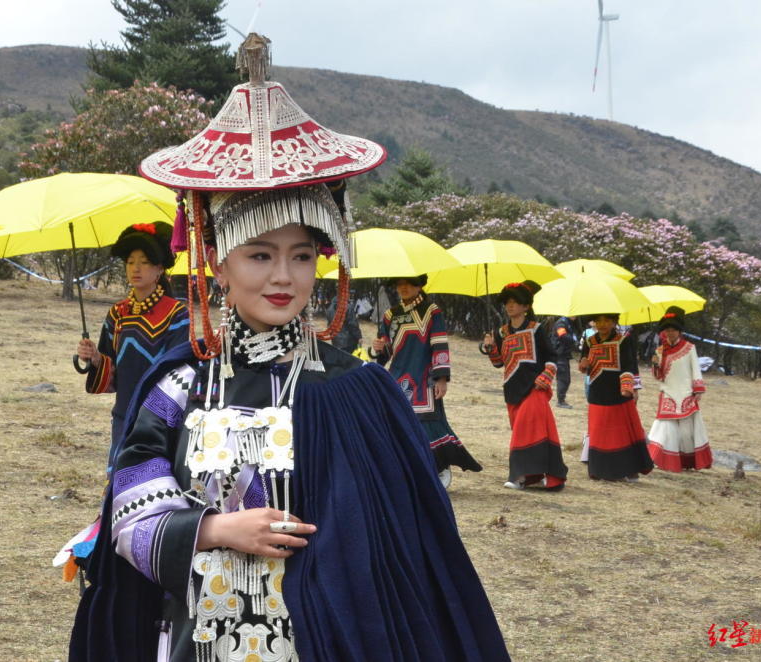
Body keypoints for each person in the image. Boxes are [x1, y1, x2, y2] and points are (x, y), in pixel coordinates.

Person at [68, 34, 510, 662]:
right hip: (193, 637)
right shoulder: (179, 385)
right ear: (218, 264)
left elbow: (398, 545)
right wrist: (216, 529)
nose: (284, 277)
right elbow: (132, 510)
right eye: (260, 255)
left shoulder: (356, 389)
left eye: (301, 256)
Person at [75, 221, 190, 464]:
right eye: (130, 262)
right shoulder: (117, 314)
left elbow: (178, 369)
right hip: (123, 413)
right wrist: (95, 358)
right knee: (119, 479)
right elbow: (111, 375)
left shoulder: (176, 314)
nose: (135, 268)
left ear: (159, 269)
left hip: (160, 416)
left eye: (144, 262)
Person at [371, 275, 482, 488]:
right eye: (400, 283)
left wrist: (441, 378)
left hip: (424, 376)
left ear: (419, 285)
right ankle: (405, 472)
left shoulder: (432, 311)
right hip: (397, 377)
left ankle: (439, 466)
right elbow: (385, 355)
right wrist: (377, 348)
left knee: (427, 423)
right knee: (396, 423)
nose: (403, 288)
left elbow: (439, 344)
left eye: (409, 283)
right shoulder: (390, 315)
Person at [480, 281, 568, 491]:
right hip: (512, 389)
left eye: (515, 302)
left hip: (534, 388)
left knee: (525, 431)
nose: (510, 306)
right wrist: (490, 347)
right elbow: (499, 362)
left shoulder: (536, 329)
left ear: (526, 306)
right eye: (508, 302)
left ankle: (518, 475)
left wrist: (545, 376)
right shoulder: (501, 332)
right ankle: (534, 475)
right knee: (526, 431)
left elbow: (551, 357)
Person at [578, 313, 654, 481]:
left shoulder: (623, 340)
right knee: (598, 431)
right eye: (598, 320)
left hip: (618, 392)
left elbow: (629, 365)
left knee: (621, 433)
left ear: (614, 322)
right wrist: (583, 362)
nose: (602, 324)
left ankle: (629, 469)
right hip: (597, 392)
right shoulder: (590, 341)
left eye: (607, 320)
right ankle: (599, 469)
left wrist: (629, 387)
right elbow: (585, 362)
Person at [646, 307, 712, 472]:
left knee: (686, 431)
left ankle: (687, 462)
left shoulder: (690, 348)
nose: (670, 332)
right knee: (663, 427)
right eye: (667, 329)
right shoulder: (660, 350)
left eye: (674, 329)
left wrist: (698, 389)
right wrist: (655, 364)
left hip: (686, 394)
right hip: (668, 392)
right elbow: (659, 376)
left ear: (679, 331)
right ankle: (656, 458)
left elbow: (695, 369)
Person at [552, 315, 575, 408]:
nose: (576, 316)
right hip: (559, 354)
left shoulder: (568, 323)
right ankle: (560, 401)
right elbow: (562, 336)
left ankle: (562, 399)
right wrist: (574, 340)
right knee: (563, 378)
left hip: (564, 354)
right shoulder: (561, 323)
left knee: (566, 379)